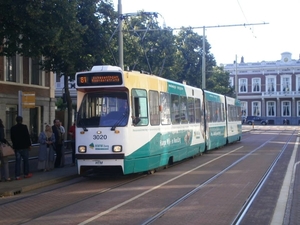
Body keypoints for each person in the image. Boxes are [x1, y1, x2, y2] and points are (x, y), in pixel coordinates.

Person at [10, 116, 32, 180]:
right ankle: (26, 174)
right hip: (24, 146)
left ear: (16, 120)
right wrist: (29, 145)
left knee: (17, 161)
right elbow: (27, 136)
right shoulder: (24, 127)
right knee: (26, 161)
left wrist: (14, 145)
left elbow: (12, 138)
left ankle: (17, 175)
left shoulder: (13, 128)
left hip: (17, 147)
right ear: (21, 120)